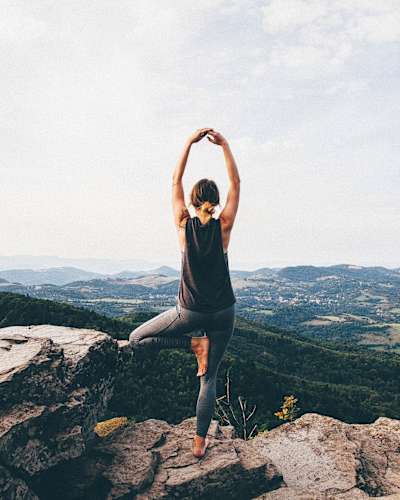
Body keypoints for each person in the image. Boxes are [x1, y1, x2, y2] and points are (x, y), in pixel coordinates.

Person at [128, 127, 240, 458]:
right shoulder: (224, 227)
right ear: (216, 204)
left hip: (188, 312)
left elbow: (174, 181)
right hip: (224, 313)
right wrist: (225, 146)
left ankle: (193, 344)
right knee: (209, 380)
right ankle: (199, 444)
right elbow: (237, 184)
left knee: (137, 339)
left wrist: (188, 144)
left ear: (193, 202)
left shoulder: (182, 224)